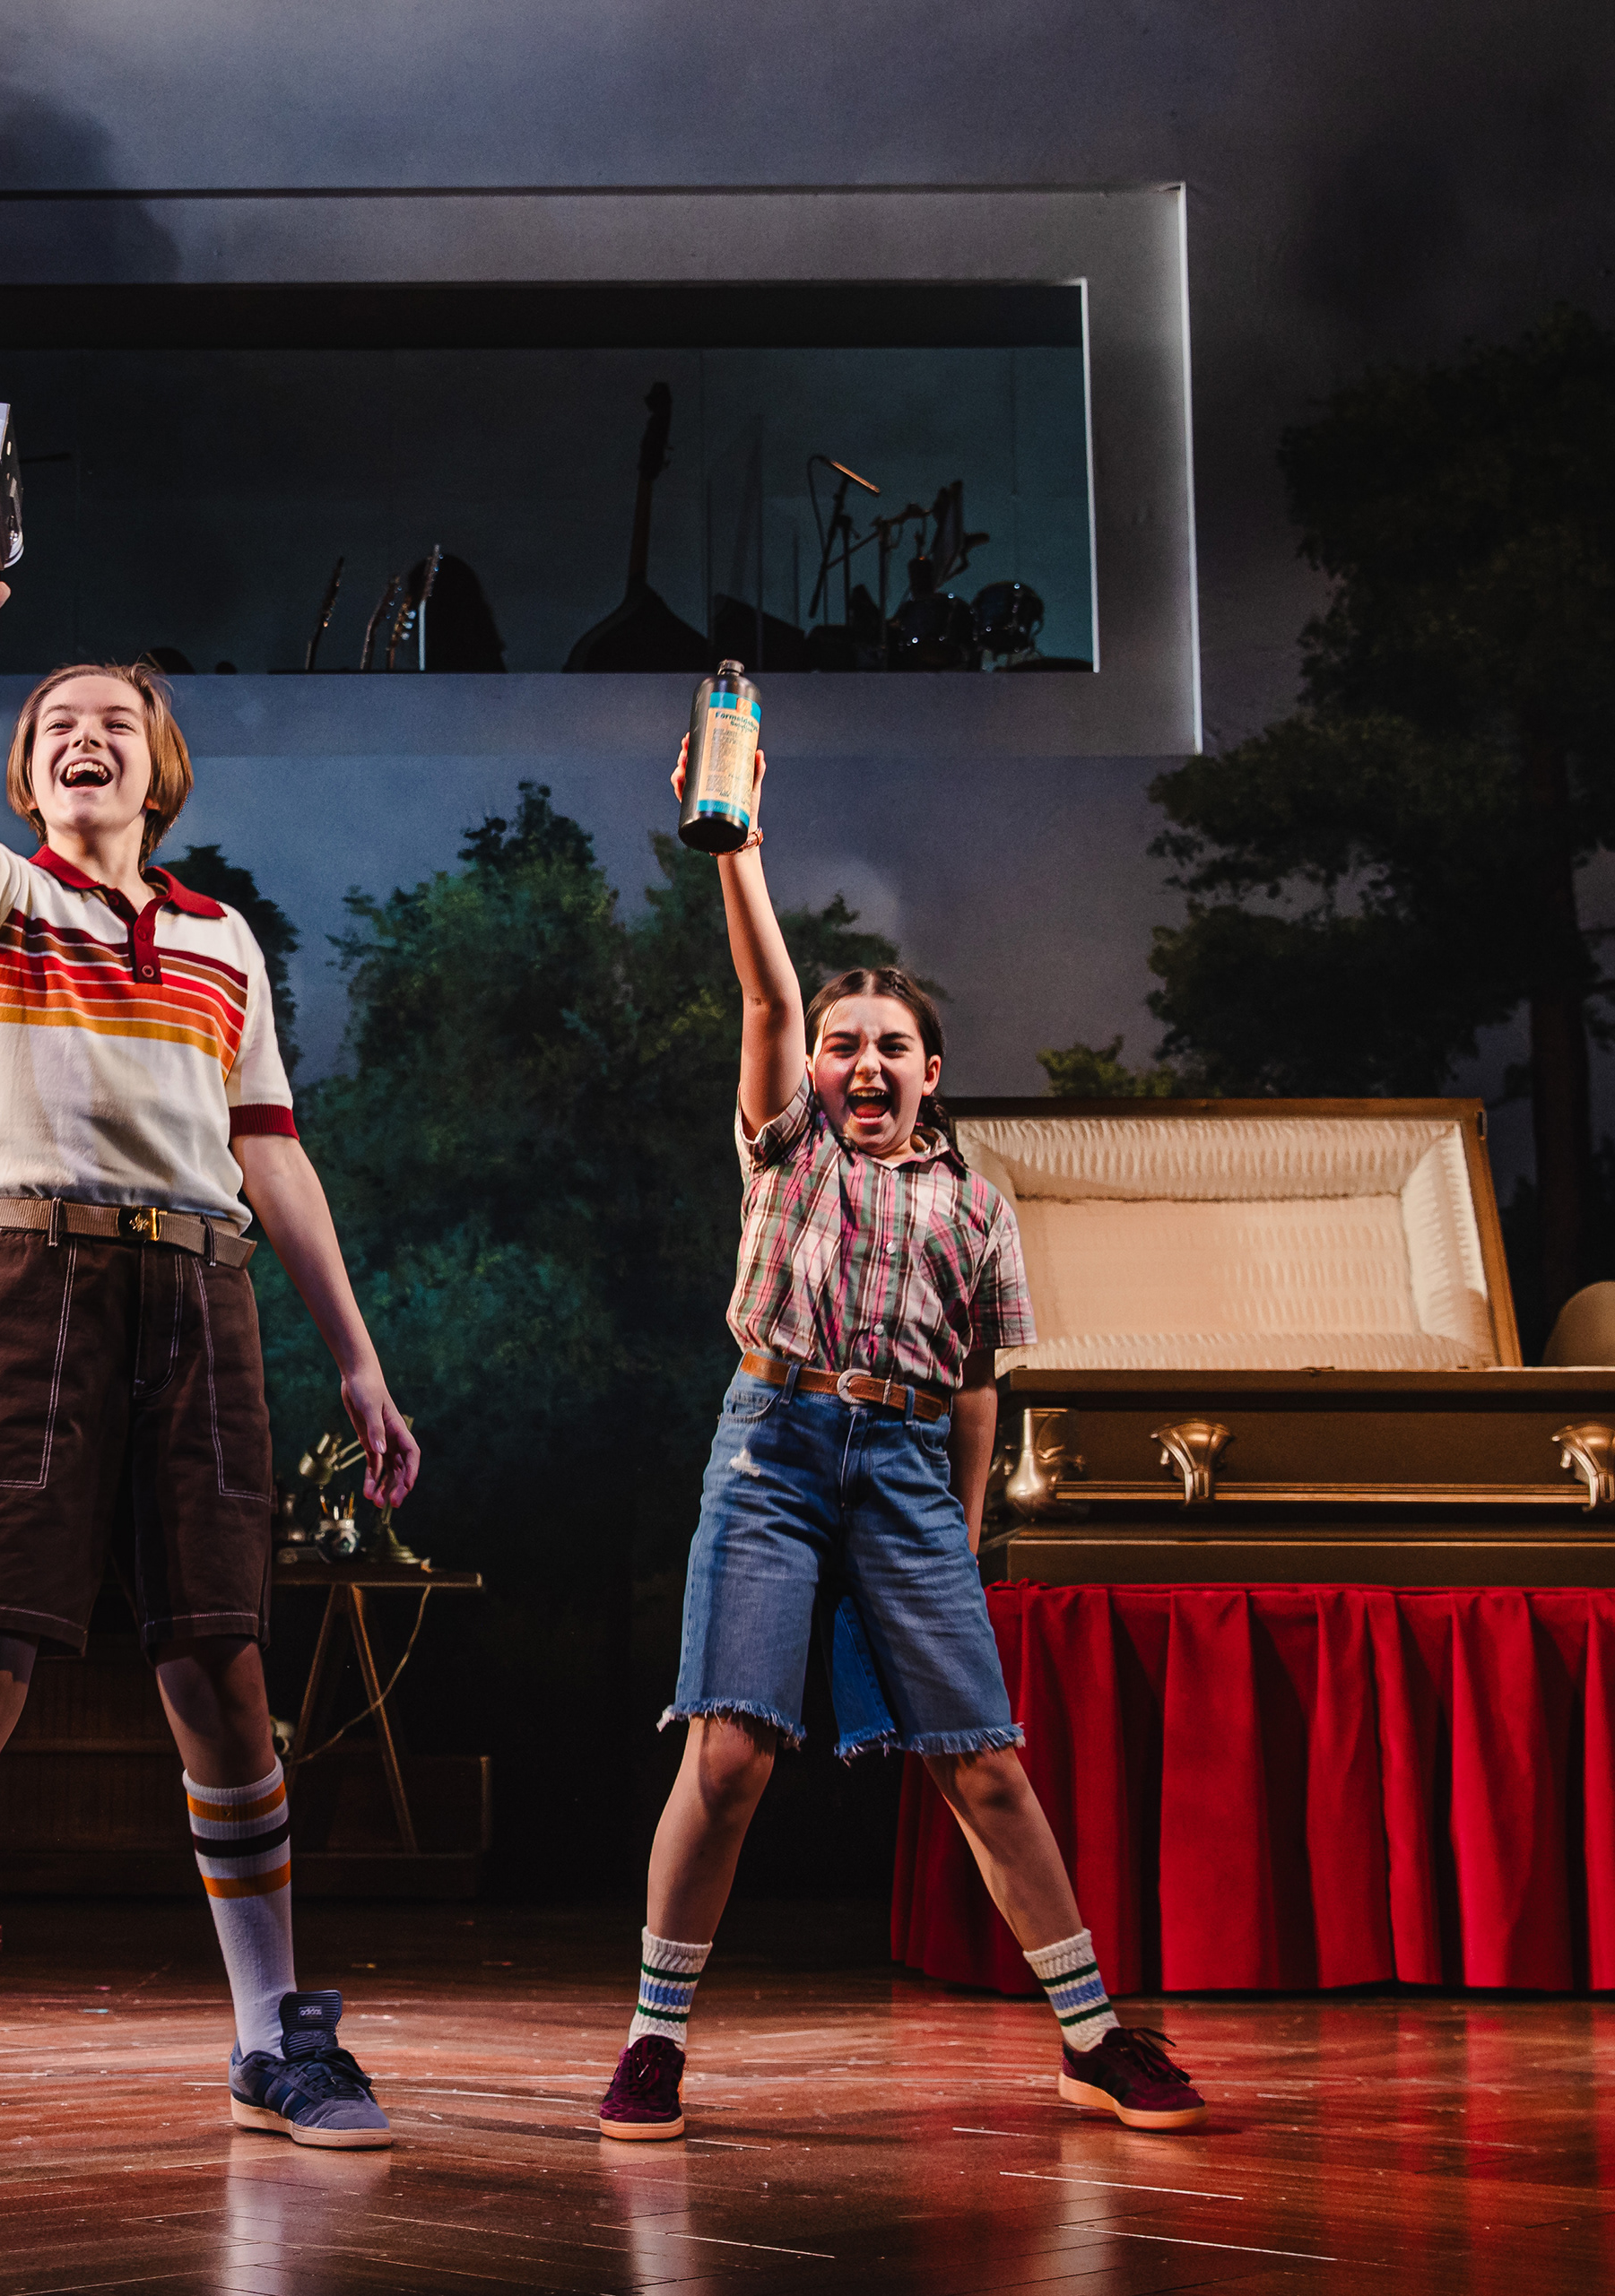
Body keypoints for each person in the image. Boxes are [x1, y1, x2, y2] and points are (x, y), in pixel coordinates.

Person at [0, 551, 425, 2178]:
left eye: (116, 722)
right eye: (57, 721)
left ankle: (273, 2040)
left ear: (161, 767)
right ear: (25, 769)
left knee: (222, 1674)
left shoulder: (223, 941)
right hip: (30, 1284)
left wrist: (358, 1363)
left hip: (200, 1294)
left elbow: (272, 1153)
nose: (85, 735)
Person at [589, 743, 1206, 2142]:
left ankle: (1093, 2037)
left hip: (912, 1474)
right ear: (813, 1068)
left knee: (983, 1763)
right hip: (774, 1447)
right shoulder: (789, 1151)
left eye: (890, 1047)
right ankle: (653, 2038)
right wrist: (739, 846)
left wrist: (958, 1530)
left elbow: (978, 1384)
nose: (863, 1062)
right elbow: (764, 991)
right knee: (731, 1756)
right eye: (842, 1043)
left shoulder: (976, 1206)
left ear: (932, 1072)